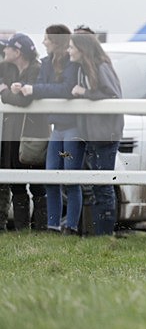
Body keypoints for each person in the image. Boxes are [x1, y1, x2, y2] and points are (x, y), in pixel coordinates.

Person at [20, 25, 84, 235]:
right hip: (57, 128)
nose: (44, 42)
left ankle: (72, 226)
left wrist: (37, 90)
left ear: (55, 41)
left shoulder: (72, 64)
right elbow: (45, 88)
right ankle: (53, 225)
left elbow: (65, 89)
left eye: (47, 38)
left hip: (72, 128)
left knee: (71, 179)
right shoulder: (47, 63)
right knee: (50, 176)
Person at [68, 32, 124, 236]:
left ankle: (105, 234)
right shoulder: (84, 68)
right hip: (93, 134)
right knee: (97, 185)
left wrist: (85, 93)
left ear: (83, 49)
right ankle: (99, 233)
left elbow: (112, 95)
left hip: (105, 135)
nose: (69, 50)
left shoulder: (101, 66)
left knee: (103, 185)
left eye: (72, 47)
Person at [0, 33, 48, 230]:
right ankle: (22, 231)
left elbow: (24, 101)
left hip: (32, 133)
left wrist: (4, 92)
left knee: (37, 184)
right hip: (12, 133)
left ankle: (42, 230)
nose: (4, 51)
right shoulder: (9, 68)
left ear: (17, 52)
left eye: (8, 48)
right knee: (16, 183)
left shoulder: (37, 69)